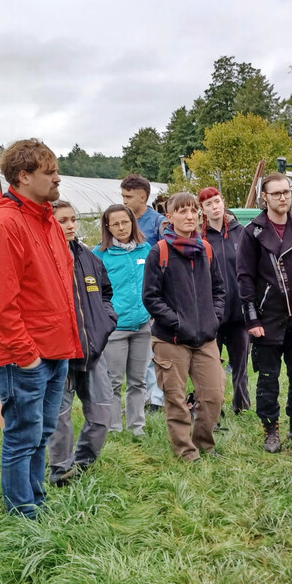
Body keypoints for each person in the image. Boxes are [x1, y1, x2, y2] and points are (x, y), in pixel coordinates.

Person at [0, 139, 82, 518]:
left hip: (56, 349)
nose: (57, 179)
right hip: (27, 357)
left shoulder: (47, 219)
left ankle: (36, 499)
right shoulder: (4, 224)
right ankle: (22, 511)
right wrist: (26, 357)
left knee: (41, 433)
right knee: (22, 436)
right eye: (49, 172)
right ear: (23, 176)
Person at [238, 172, 292, 453]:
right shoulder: (253, 233)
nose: (283, 198)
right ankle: (270, 430)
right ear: (265, 197)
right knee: (268, 379)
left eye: (286, 192)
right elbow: (245, 278)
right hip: (267, 319)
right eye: (276, 193)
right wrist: (252, 318)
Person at [142, 192, 226, 462]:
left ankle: (205, 444)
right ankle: (185, 451)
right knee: (176, 400)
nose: (190, 216)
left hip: (206, 339)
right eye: (182, 212)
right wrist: (178, 322)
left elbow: (219, 290)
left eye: (193, 211)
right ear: (170, 217)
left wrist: (214, 318)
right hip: (171, 340)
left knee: (213, 396)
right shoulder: (160, 252)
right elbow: (151, 298)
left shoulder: (206, 249)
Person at [47, 201, 118, 485]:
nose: (71, 225)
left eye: (73, 219)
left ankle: (84, 462)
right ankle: (61, 472)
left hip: (92, 350)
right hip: (58, 354)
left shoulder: (88, 256)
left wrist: (105, 321)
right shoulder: (44, 258)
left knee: (103, 412)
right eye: (63, 220)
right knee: (60, 418)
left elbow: (105, 293)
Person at [95, 204, 153, 436]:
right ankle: (114, 428)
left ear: (132, 223)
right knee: (114, 382)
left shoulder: (146, 250)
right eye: (115, 224)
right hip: (115, 328)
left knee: (138, 381)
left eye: (125, 222)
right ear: (107, 227)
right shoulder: (99, 255)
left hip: (143, 325)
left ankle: (137, 426)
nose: (121, 228)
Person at [199, 187, 251, 414]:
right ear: (203, 209)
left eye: (217, 201)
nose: (214, 207)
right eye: (208, 204)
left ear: (223, 202)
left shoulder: (241, 233)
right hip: (212, 312)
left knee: (241, 363)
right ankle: (214, 408)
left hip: (240, 311)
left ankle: (242, 404)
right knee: (212, 365)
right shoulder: (199, 238)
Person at [122, 173, 165, 411]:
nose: (125, 201)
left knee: (152, 348)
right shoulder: (123, 221)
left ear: (143, 196)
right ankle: (141, 396)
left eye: (129, 196)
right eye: (123, 196)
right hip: (129, 294)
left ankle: (157, 398)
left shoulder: (158, 223)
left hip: (153, 292)